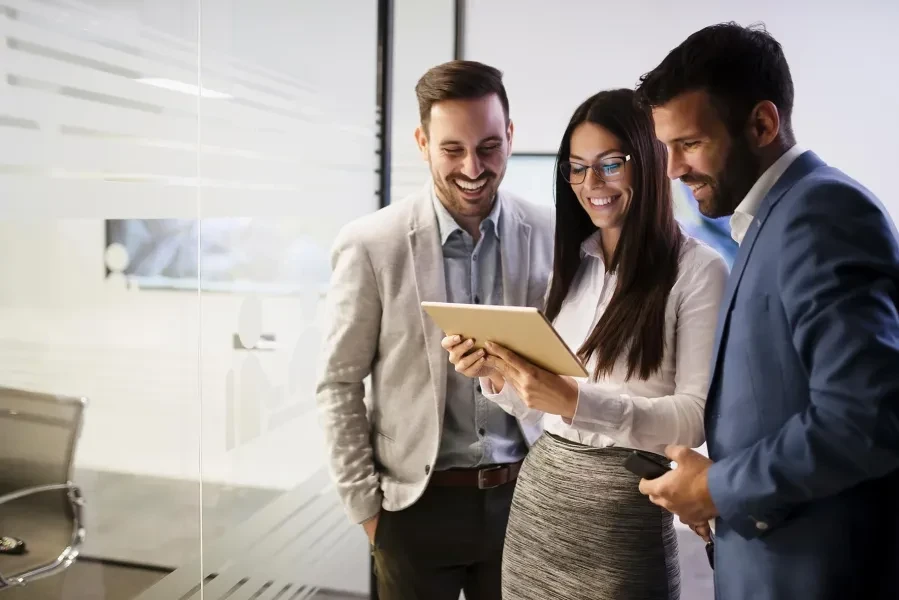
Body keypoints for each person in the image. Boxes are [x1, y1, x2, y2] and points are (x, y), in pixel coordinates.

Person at [634, 22, 899, 600]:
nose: (674, 169)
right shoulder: (769, 218)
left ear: (762, 124)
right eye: (666, 149)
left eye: (690, 144)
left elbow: (866, 417)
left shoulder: (822, 212)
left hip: (818, 575)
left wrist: (719, 488)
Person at [443, 88, 728, 600]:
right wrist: (496, 375)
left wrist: (575, 401)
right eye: (576, 168)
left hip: (624, 513)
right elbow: (540, 407)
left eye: (609, 165)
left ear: (649, 160)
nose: (590, 184)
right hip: (540, 504)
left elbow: (694, 418)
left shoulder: (698, 270)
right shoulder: (574, 262)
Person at [315, 60, 553, 600]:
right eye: (452, 149)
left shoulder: (550, 232)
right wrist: (368, 513)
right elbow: (338, 383)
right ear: (422, 142)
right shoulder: (372, 244)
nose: (473, 167)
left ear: (511, 137)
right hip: (414, 511)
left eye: (490, 146)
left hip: (527, 501)